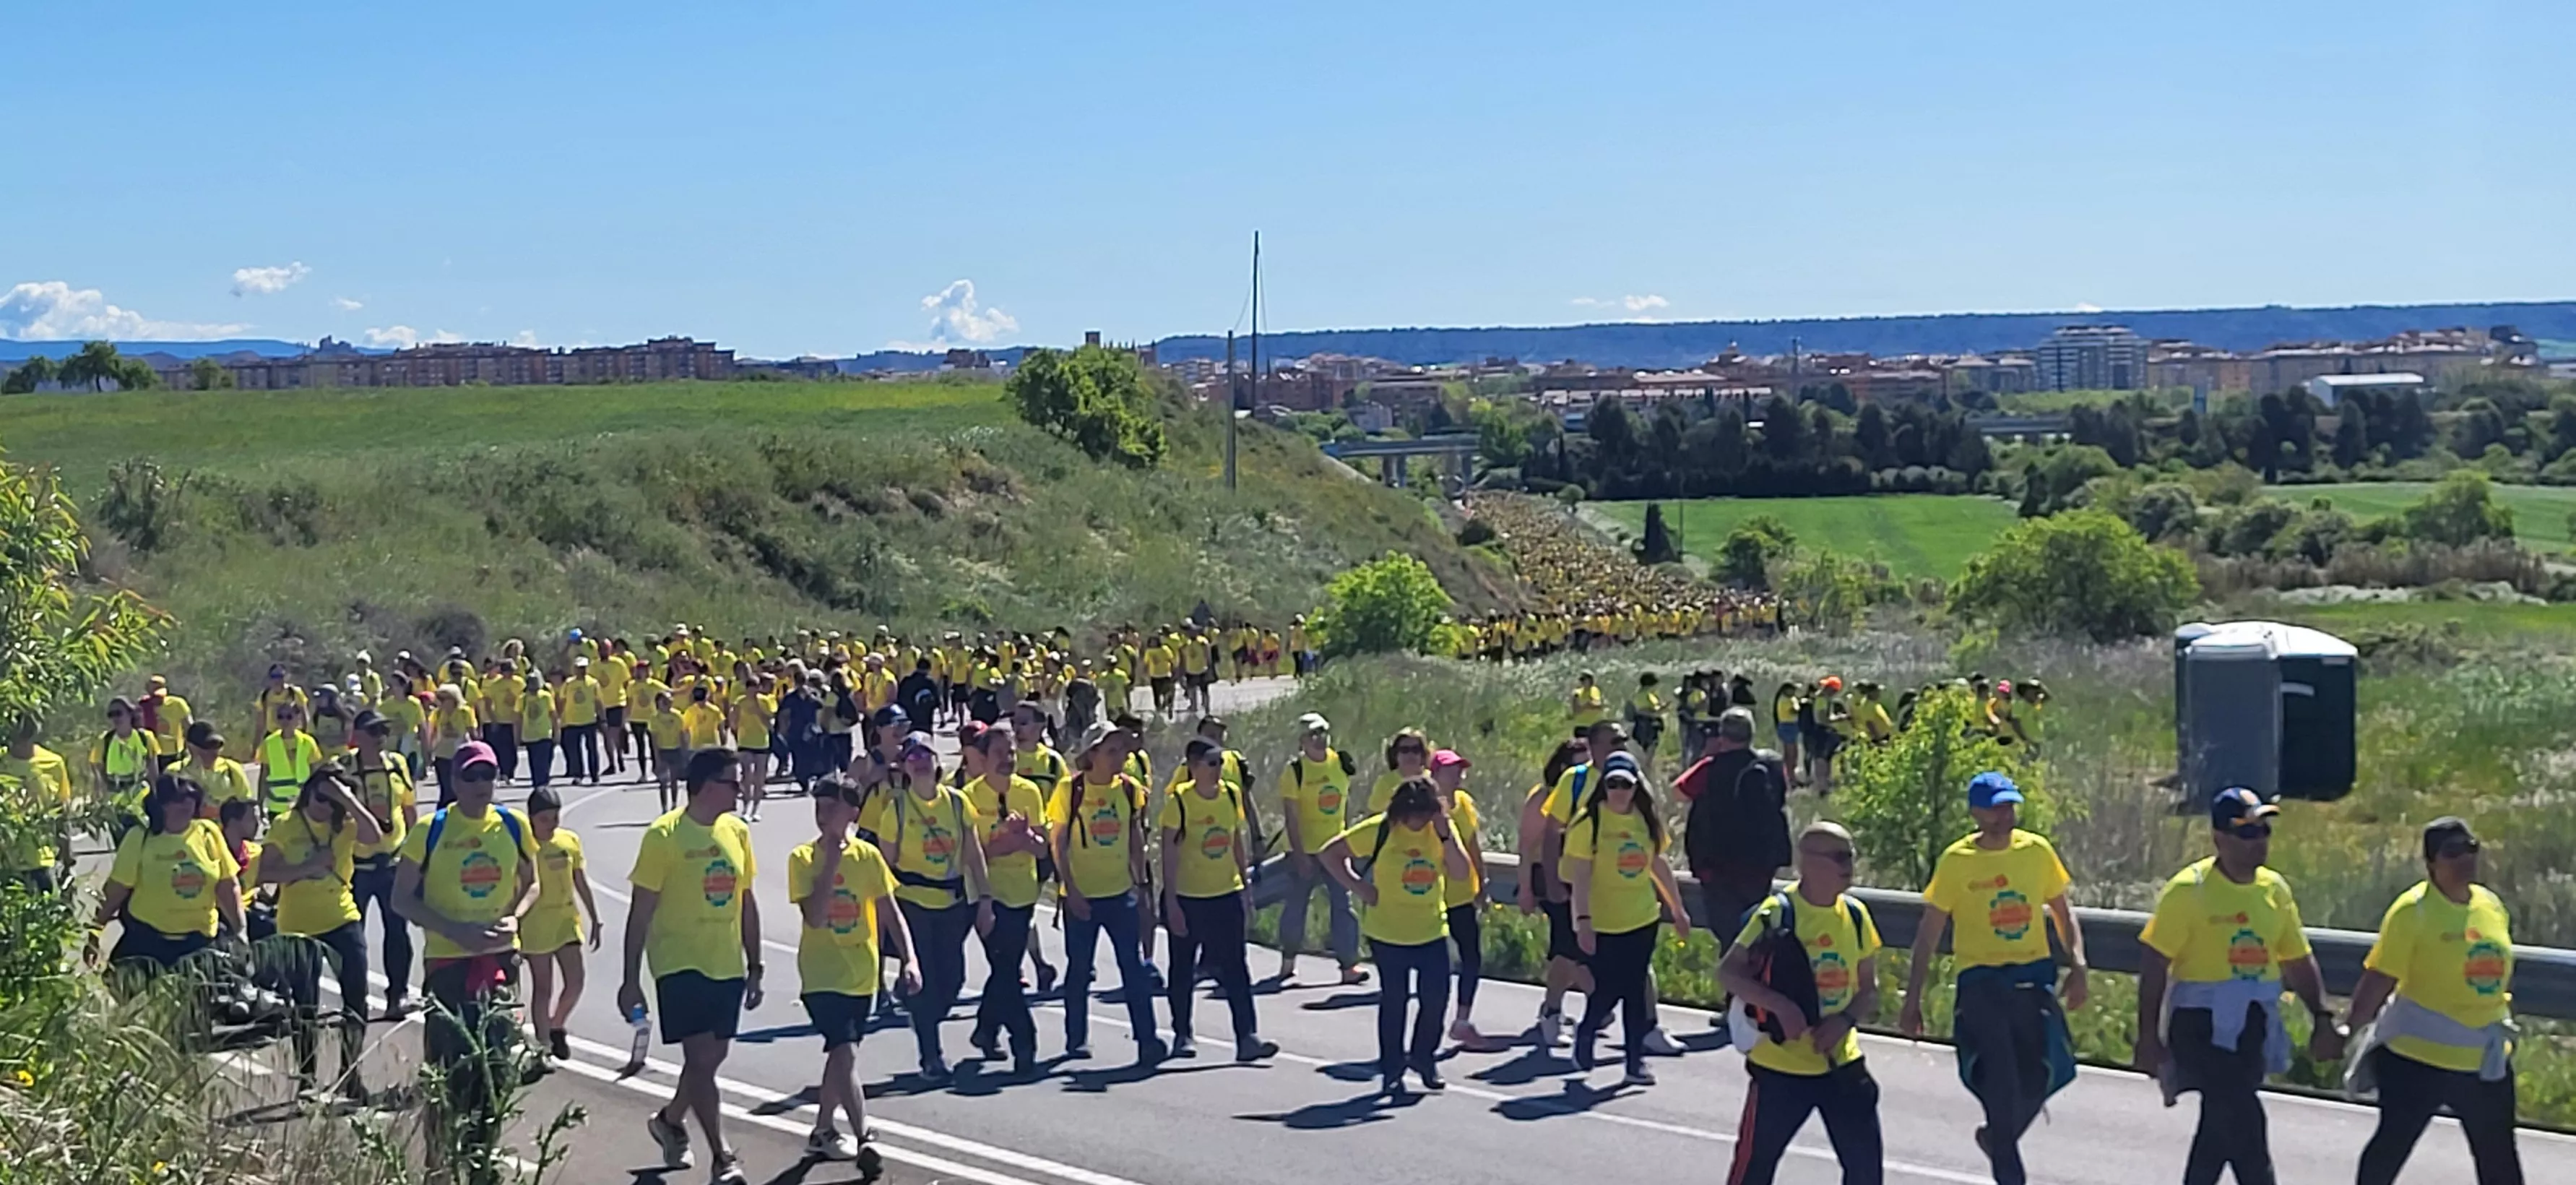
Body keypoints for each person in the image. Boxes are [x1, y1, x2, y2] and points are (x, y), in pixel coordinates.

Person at [2133, 788, 2344, 1185]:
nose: (2258, 841)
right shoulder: (2188, 891)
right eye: (2247, 833)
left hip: (2252, 1024)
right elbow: (2155, 962)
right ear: (2220, 839)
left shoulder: (2274, 891)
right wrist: (2148, 1035)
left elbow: (2297, 959)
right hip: (2199, 1024)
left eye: (2263, 830)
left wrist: (2321, 1015)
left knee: (2219, 1125)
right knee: (2244, 1117)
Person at [1898, 772, 2087, 1185]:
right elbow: (1928, 932)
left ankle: (1997, 1138)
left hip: (2032, 979)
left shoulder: (2036, 852)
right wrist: (1912, 998)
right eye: (1995, 808)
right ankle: (2005, 1155)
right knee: (2001, 1087)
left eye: (2009, 807)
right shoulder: (1957, 861)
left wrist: (2078, 964)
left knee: (2043, 1076)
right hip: (1981, 982)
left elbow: (2061, 911)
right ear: (1975, 812)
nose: (2004, 817)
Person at [2346, 817, 2523, 1185]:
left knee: (2500, 1163)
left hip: (2482, 1061)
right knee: (2390, 1149)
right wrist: (2348, 1027)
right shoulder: (2413, 911)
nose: (2464, 859)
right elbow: (2380, 978)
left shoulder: (2490, 905)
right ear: (2431, 864)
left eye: (2470, 849)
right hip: (2418, 1060)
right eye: (2452, 852)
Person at [392, 741, 539, 1176]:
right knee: (447, 1075)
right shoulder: (430, 830)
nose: (481, 785)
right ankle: (438, 1165)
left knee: (495, 1071)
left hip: (501, 966)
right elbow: (401, 899)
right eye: (471, 776)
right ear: (454, 780)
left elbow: (533, 884)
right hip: (449, 966)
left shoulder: (514, 825)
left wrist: (516, 918)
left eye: (488, 775)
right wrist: (455, 930)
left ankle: (481, 1158)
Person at [622, 748, 764, 1185]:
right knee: (701, 1057)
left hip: (726, 962)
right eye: (732, 782)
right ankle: (723, 1157)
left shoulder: (737, 832)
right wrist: (631, 981)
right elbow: (640, 911)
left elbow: (746, 901)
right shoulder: (664, 836)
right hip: (679, 963)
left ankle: (669, 1119)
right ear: (705, 785)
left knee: (710, 1060)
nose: (740, 790)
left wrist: (755, 964)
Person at [1718, 822, 1885, 1185]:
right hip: (1781, 1070)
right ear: (1808, 863)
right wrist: (1781, 1006)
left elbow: (1869, 988)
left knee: (1865, 1172)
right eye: (1840, 857)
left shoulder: (1856, 915)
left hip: (1841, 1064)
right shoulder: (1777, 913)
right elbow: (1728, 973)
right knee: (1753, 1169)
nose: (1849, 865)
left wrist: (1844, 1021)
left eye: (1851, 856)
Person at [790, 775, 916, 1171]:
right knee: (843, 1051)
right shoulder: (803, 858)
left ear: (852, 813)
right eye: (818, 807)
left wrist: (910, 959)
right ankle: (866, 1136)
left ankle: (822, 1130)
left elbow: (890, 910)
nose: (823, 814)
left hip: (862, 973)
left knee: (842, 1057)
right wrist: (830, 862)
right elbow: (814, 915)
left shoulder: (868, 856)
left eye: (832, 807)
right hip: (821, 974)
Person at [1325, 777, 1470, 1096]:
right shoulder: (1381, 828)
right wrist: (1360, 888)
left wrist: (1446, 835)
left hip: (1431, 928)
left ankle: (1423, 1057)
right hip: (1388, 931)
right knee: (1395, 1001)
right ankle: (1392, 1068)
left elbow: (1461, 872)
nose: (1417, 821)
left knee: (1435, 998)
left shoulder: (1441, 830)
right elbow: (1331, 853)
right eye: (1412, 814)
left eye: (1424, 814)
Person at [861, 733, 993, 1084]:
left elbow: (973, 853)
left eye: (926, 755)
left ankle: (919, 1008)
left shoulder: (957, 802)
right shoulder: (897, 808)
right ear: (904, 767)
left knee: (953, 980)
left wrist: (985, 900)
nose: (919, 761)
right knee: (927, 984)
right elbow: (884, 867)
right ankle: (930, 1054)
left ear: (938, 763)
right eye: (911, 756)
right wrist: (882, 914)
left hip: (952, 903)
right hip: (912, 903)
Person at [259, 766, 385, 1101]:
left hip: (342, 918)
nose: (324, 807)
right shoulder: (286, 825)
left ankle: (350, 1074)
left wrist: (347, 798)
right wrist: (307, 867)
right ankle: (307, 1079)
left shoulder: (343, 825)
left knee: (356, 999)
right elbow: (265, 873)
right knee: (305, 1006)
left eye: (332, 802)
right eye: (320, 797)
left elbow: (374, 837)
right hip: (298, 924)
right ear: (309, 791)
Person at [1564, 758, 1689, 1086]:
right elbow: (1580, 877)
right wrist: (1583, 921)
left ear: (1637, 787)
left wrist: (1677, 909)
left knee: (1635, 989)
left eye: (1626, 785)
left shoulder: (1645, 820)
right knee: (1608, 988)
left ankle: (1635, 1063)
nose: (1619, 792)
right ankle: (1588, 1029)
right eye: (1613, 785)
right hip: (1604, 920)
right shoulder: (1588, 822)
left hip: (1642, 917)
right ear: (1603, 786)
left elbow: (1658, 866)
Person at [1047, 720, 1166, 1064]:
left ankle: (1147, 1039)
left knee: (1133, 968)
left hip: (1119, 893)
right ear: (1092, 754)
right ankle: (1076, 1039)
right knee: (1080, 970)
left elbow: (1134, 836)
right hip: (1082, 895)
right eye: (1111, 751)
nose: (1120, 757)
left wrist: (1141, 882)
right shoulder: (1071, 791)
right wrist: (1071, 889)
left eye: (1122, 750)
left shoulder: (1129, 790)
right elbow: (1059, 842)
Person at [1159, 738, 1277, 1063]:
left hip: (1225, 893)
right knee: (1183, 969)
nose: (1217, 770)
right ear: (1193, 766)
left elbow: (1234, 839)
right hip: (1189, 896)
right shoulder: (1179, 802)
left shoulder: (1230, 793)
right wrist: (1171, 903)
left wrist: (1245, 887)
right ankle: (1183, 1033)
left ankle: (1247, 1036)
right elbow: (1169, 853)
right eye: (1210, 763)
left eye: (1219, 763)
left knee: (1236, 966)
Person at [963, 725, 1048, 1074]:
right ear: (982, 759)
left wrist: (1026, 837)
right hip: (986, 896)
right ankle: (1024, 1042)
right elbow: (973, 853)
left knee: (1006, 969)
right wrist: (1006, 843)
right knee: (1007, 969)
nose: (1007, 760)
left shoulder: (1029, 793)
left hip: (1023, 893)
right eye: (999, 754)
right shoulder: (967, 798)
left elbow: (1043, 848)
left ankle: (985, 1030)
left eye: (1011, 753)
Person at [95, 775, 244, 973]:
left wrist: (241, 930)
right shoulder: (140, 837)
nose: (185, 805)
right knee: (122, 989)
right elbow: (116, 890)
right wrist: (95, 931)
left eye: (191, 799)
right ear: (160, 805)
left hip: (199, 942)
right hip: (148, 941)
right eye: (177, 800)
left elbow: (227, 885)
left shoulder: (208, 833)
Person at [1679, 707, 1790, 953]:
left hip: (1719, 869)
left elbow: (1679, 791)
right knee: (1757, 935)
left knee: (1730, 939)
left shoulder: (1710, 768)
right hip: (1760, 866)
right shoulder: (1771, 765)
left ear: (1721, 736)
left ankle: (1735, 989)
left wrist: (1707, 756)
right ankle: (1755, 986)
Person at [1274, 712, 1367, 986]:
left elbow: (1344, 805)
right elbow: (1291, 817)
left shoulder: (1340, 763)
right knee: (1296, 907)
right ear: (1302, 740)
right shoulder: (1295, 771)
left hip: (1336, 849)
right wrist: (1300, 856)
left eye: (1323, 733)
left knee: (1343, 906)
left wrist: (1348, 845)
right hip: (1306, 851)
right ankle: (1288, 961)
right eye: (1313, 735)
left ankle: (1349, 966)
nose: (1319, 739)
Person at [1517, 737, 1595, 1047]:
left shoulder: (1591, 795)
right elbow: (1526, 846)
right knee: (1567, 946)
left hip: (1580, 876)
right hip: (1547, 875)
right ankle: (1558, 1009)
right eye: (1577, 762)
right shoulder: (1544, 798)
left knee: (1573, 948)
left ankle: (1574, 1003)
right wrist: (1525, 887)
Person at [343, 711, 419, 1020]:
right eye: (373, 732)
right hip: (356, 866)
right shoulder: (344, 768)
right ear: (357, 735)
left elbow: (409, 809)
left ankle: (397, 996)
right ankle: (354, 1000)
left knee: (398, 934)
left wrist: (417, 855)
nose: (379, 738)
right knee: (352, 938)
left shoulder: (397, 765)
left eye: (383, 732)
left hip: (393, 862)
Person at [1423, 749, 1499, 1050]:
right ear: (1435, 774)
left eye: (1459, 770)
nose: (1457, 775)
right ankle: (1429, 1025)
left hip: (1463, 895)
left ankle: (1462, 1021)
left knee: (1472, 957)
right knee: (1437, 965)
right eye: (1451, 770)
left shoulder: (1464, 803)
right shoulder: (1425, 808)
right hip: (1434, 897)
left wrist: (1482, 881)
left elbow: (1472, 846)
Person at [523, 786, 602, 1064]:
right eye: (544, 819)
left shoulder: (569, 841)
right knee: (543, 987)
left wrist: (595, 916)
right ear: (532, 818)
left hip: (566, 921)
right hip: (535, 925)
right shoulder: (525, 845)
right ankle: (542, 1047)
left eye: (555, 817)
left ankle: (557, 1025)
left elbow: (581, 879)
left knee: (576, 982)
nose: (551, 825)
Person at [2, 716, 74, 893]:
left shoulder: (53, 763)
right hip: (6, 859)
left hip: (40, 857)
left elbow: (61, 812)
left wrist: (66, 856)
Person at [92, 697, 165, 839]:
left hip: (141, 794)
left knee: (146, 836)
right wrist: (100, 800)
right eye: (111, 715)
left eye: (118, 713)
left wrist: (157, 797)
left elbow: (153, 770)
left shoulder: (146, 737)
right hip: (117, 797)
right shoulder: (104, 740)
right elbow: (98, 772)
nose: (115, 718)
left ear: (130, 714)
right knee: (122, 840)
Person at [426, 684, 479, 807]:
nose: (441, 702)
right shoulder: (437, 714)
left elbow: (472, 733)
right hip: (442, 755)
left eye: (444, 699)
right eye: (439, 698)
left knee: (458, 788)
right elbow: (432, 733)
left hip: (460, 754)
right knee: (446, 789)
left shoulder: (464, 712)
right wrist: (429, 752)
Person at [732, 675, 774, 822]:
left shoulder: (765, 701)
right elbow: (734, 722)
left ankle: (756, 808)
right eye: (750, 688)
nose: (753, 691)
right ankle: (746, 808)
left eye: (756, 688)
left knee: (759, 777)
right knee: (746, 775)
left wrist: (758, 709)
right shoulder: (740, 702)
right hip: (745, 741)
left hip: (761, 742)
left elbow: (769, 724)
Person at [558, 657, 605, 786]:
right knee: (575, 751)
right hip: (572, 721)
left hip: (589, 720)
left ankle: (594, 774)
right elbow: (562, 701)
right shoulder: (569, 684)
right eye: (579, 668)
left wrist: (602, 718)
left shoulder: (593, 683)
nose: (581, 670)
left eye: (584, 668)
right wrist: (560, 718)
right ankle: (578, 774)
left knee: (592, 749)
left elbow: (598, 702)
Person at [646, 689, 687, 812]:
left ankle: (674, 804)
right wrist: (657, 757)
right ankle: (664, 807)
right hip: (663, 751)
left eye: (669, 701)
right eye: (664, 702)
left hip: (675, 750)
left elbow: (682, 735)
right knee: (663, 781)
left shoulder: (677, 716)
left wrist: (684, 753)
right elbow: (654, 739)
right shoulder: (655, 718)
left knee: (674, 779)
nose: (668, 704)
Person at [520, 672, 558, 792]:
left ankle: (543, 784)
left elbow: (553, 715)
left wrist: (557, 732)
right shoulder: (523, 699)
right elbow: (518, 718)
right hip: (529, 735)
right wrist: (517, 736)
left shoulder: (546, 697)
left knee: (544, 761)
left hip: (544, 734)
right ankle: (538, 786)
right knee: (534, 762)